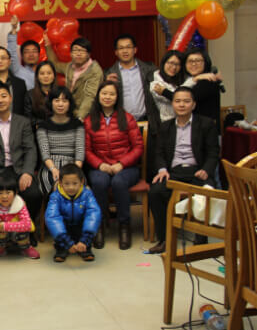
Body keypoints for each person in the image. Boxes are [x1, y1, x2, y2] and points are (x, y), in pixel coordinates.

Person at [148, 87, 219, 254]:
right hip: (174, 172)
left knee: (207, 191)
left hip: (197, 171)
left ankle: (201, 238)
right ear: (172, 104)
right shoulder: (165, 126)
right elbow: (159, 153)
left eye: (186, 101)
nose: (182, 105)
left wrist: (206, 170)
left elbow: (213, 153)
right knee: (156, 192)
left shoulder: (206, 124)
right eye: (177, 101)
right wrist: (162, 169)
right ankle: (164, 239)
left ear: (193, 105)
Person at [84, 81, 143, 250]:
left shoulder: (127, 118)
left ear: (117, 97)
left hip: (126, 167)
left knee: (118, 182)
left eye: (112, 94)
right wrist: (100, 164)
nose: (107, 97)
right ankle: (99, 225)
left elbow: (138, 147)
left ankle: (124, 226)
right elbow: (87, 150)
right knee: (99, 182)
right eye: (104, 93)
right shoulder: (90, 120)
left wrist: (122, 163)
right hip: (100, 166)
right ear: (98, 96)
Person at [0, 82, 42, 230]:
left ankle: (26, 229)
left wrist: (27, 172)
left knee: (34, 194)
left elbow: (30, 149)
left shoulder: (23, 122)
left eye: (4, 96)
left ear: (11, 98)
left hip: (18, 169)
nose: (0, 100)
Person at [45, 163, 101, 262]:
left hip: (80, 226)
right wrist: (66, 242)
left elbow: (94, 214)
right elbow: (52, 218)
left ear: (81, 182)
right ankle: (62, 248)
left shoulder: (87, 194)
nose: (71, 187)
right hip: (64, 228)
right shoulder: (55, 197)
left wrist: (85, 239)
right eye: (67, 184)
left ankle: (85, 247)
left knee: (89, 221)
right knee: (58, 228)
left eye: (75, 183)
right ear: (60, 183)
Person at [36, 86, 84, 195]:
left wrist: (74, 172)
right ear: (51, 103)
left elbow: (80, 151)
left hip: (73, 165)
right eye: (57, 100)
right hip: (50, 166)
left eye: (64, 101)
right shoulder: (43, 126)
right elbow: (44, 153)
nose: (60, 104)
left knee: (74, 183)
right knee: (54, 184)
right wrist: (53, 169)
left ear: (69, 103)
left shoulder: (77, 124)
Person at [45, 35, 103, 120]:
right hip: (70, 112)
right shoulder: (70, 66)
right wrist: (48, 45)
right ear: (71, 53)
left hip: (87, 115)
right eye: (75, 50)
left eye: (82, 51)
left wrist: (80, 117)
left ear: (88, 54)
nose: (78, 54)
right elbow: (55, 65)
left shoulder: (94, 71)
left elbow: (90, 97)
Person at [104, 34, 158, 123]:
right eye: (121, 48)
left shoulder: (149, 69)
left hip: (147, 121)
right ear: (116, 52)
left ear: (135, 50)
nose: (125, 51)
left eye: (128, 47)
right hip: (121, 122)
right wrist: (105, 84)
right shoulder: (108, 74)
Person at [0, 172, 40, 259]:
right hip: (2, 237)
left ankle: (26, 247)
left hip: (17, 234)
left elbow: (27, 225)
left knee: (22, 229)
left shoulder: (19, 204)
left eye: (8, 192)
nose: (4, 196)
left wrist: (5, 226)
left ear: (15, 193)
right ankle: (0, 248)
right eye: (0, 193)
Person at [184, 48, 224, 133]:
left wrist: (163, 91)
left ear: (206, 62)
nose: (193, 64)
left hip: (205, 132)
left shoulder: (208, 81)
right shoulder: (191, 79)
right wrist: (195, 79)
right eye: (190, 61)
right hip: (195, 129)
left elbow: (184, 98)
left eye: (198, 61)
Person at [150, 50, 191, 123]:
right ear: (164, 63)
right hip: (167, 124)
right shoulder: (156, 83)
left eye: (178, 64)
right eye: (171, 63)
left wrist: (164, 91)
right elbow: (178, 98)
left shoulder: (184, 80)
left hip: (187, 122)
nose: (174, 67)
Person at [8, 15, 40, 90]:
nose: (31, 54)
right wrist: (13, 29)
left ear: (39, 54)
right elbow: (12, 52)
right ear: (22, 56)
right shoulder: (18, 70)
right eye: (27, 52)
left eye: (34, 51)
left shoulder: (45, 71)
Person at [26, 60, 58, 129]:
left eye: (49, 73)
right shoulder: (30, 95)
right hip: (37, 131)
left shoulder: (60, 93)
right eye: (42, 73)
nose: (46, 76)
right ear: (37, 76)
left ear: (54, 76)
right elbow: (28, 118)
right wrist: (43, 124)